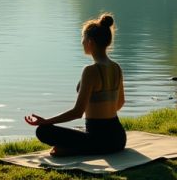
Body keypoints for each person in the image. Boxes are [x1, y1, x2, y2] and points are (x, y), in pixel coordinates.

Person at [24, 13, 126, 156]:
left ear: (90, 42)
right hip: (119, 139)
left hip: (98, 140)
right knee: (81, 136)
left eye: (83, 38)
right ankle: (76, 147)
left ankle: (73, 149)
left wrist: (46, 121)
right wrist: (103, 111)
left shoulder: (90, 71)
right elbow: (120, 103)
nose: (81, 42)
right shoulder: (116, 67)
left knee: (43, 131)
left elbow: (78, 112)